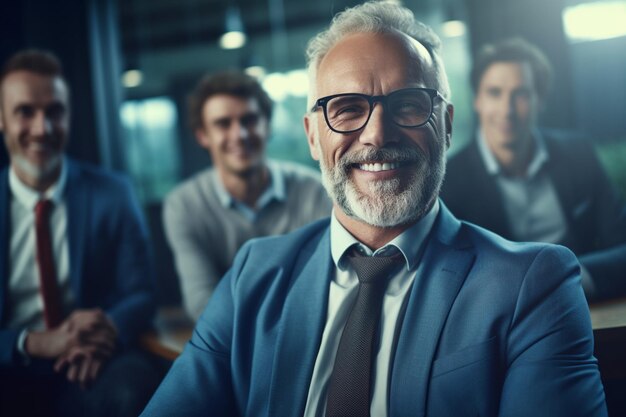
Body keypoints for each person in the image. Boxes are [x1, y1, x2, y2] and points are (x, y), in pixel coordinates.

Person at [141, 2, 607, 416]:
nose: (377, 135)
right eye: (346, 109)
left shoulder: (533, 285)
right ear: (311, 135)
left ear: (445, 125)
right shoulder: (252, 277)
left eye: (407, 104)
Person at [0, 49, 161, 417]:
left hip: (93, 360)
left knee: (134, 389)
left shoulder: (113, 192)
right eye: (25, 112)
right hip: (12, 361)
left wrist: (104, 331)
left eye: (54, 112)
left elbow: (141, 293)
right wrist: (34, 343)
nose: (42, 128)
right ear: (2, 119)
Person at [440, 38, 626, 302]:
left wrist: (571, 279)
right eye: (494, 93)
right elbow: (449, 278)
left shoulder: (579, 155)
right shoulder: (450, 179)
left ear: (540, 100)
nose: (507, 110)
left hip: (585, 307)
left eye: (521, 94)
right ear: (477, 101)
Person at [162, 70, 331, 320]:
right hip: (228, 348)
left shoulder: (314, 190)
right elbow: (201, 302)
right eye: (222, 124)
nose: (239, 135)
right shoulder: (183, 205)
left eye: (249, 120)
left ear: (267, 126)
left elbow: (328, 286)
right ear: (202, 136)